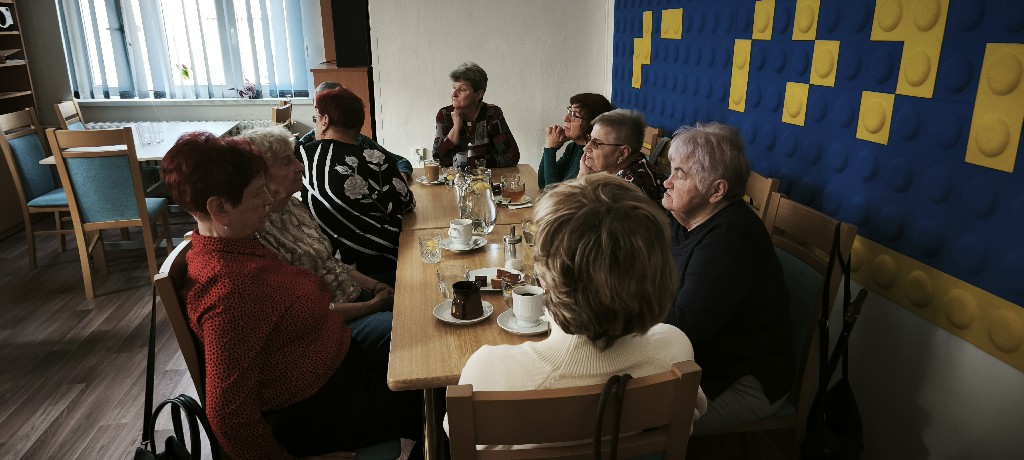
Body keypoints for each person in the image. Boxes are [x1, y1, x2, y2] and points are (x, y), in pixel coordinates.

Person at [161, 132, 422, 459]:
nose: (267, 201)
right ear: (220, 208)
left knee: (430, 356)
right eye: (257, 193)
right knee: (441, 401)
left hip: (344, 373)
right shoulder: (228, 291)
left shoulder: (239, 246)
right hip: (324, 409)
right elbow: (229, 415)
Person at [446, 173, 707, 442]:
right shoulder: (675, 351)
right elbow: (688, 420)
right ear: (659, 273)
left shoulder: (489, 370)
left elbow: (456, 436)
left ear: (545, 280)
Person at [661, 122, 792, 433]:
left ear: (716, 190)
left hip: (739, 380)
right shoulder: (685, 217)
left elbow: (684, 327)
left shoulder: (730, 238)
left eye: (680, 174)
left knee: (631, 420)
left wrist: (619, 307)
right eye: (671, 169)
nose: (667, 181)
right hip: (695, 360)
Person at [239, 125, 395, 358]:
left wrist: (374, 286)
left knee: (419, 290)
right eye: (287, 162)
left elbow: (330, 261)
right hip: (331, 327)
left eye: (294, 158)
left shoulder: (293, 205)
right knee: (404, 326)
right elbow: (303, 313)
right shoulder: (258, 232)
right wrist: (371, 306)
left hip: (355, 296)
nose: (300, 166)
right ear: (260, 176)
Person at [300, 87, 415, 281]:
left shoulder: (305, 156)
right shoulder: (377, 157)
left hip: (344, 269)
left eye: (316, 118)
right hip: (397, 258)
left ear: (325, 120)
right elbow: (408, 203)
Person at [298, 81, 414, 182]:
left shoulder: (361, 141)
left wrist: (402, 175)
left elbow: (400, 161)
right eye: (319, 110)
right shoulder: (303, 148)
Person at [432, 62, 520, 168]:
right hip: (454, 178)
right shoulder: (445, 115)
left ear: (478, 95)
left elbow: (511, 157)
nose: (454, 94)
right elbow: (438, 160)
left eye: (462, 89)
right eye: (453, 88)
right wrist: (455, 128)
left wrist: (469, 162)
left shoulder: (491, 114)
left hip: (484, 177)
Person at [577, 109, 667, 203]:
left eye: (597, 143)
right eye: (590, 139)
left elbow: (577, 209)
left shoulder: (623, 190)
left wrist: (583, 180)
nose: (586, 148)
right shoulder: (637, 164)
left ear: (622, 153)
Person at [538, 93, 614, 188]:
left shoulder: (591, 156)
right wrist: (549, 147)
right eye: (570, 111)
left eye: (574, 115)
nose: (566, 118)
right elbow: (542, 183)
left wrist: (550, 149)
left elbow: (552, 191)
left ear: (591, 123)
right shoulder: (573, 147)